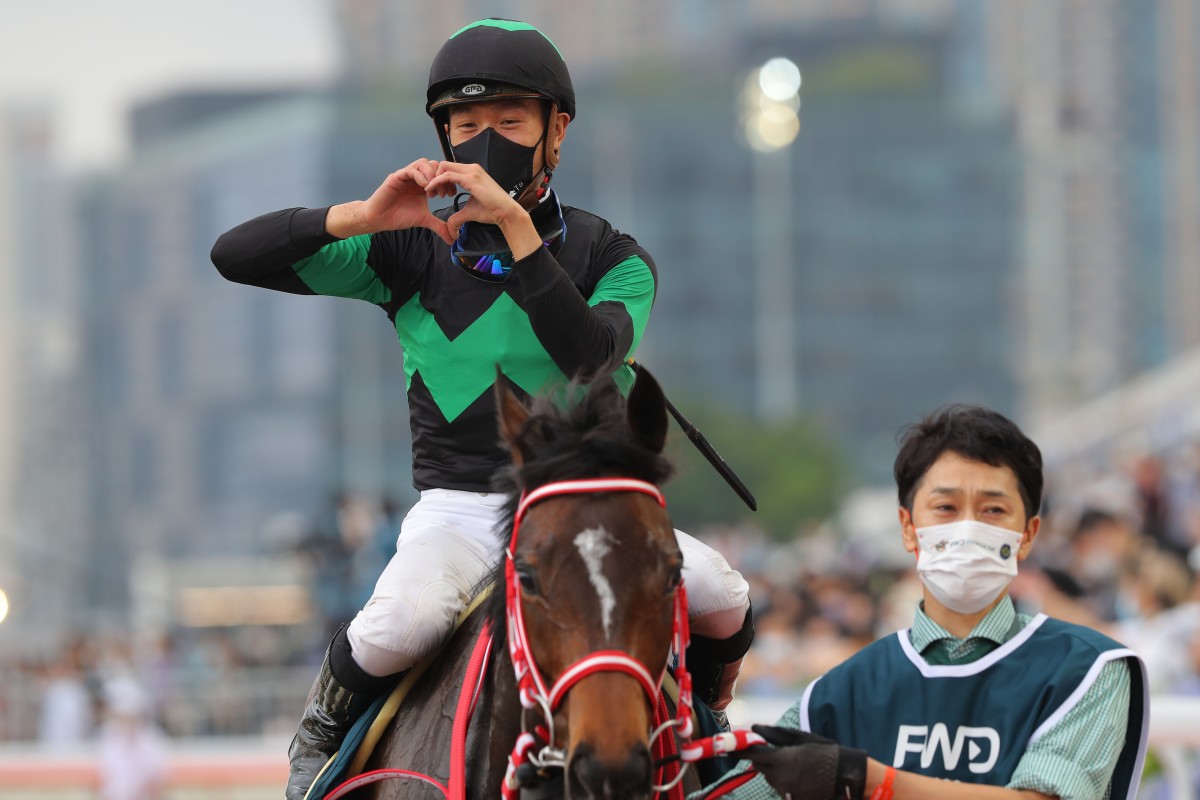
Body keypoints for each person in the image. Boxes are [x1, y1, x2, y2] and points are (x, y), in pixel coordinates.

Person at [209, 18, 753, 800]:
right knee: (398, 624)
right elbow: (235, 254)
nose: (485, 140)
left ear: (555, 131)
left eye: (509, 122)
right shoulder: (405, 248)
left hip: (585, 503)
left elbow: (592, 359)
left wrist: (520, 235)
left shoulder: (614, 257)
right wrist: (361, 218)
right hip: (461, 506)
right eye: (466, 126)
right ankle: (318, 741)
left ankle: (700, 721)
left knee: (724, 594)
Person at [702, 405, 1148, 800]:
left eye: (993, 510)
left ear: (1027, 535)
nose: (968, 528)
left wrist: (869, 780)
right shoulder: (838, 693)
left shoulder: (1089, 670)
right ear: (909, 527)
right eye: (946, 507)